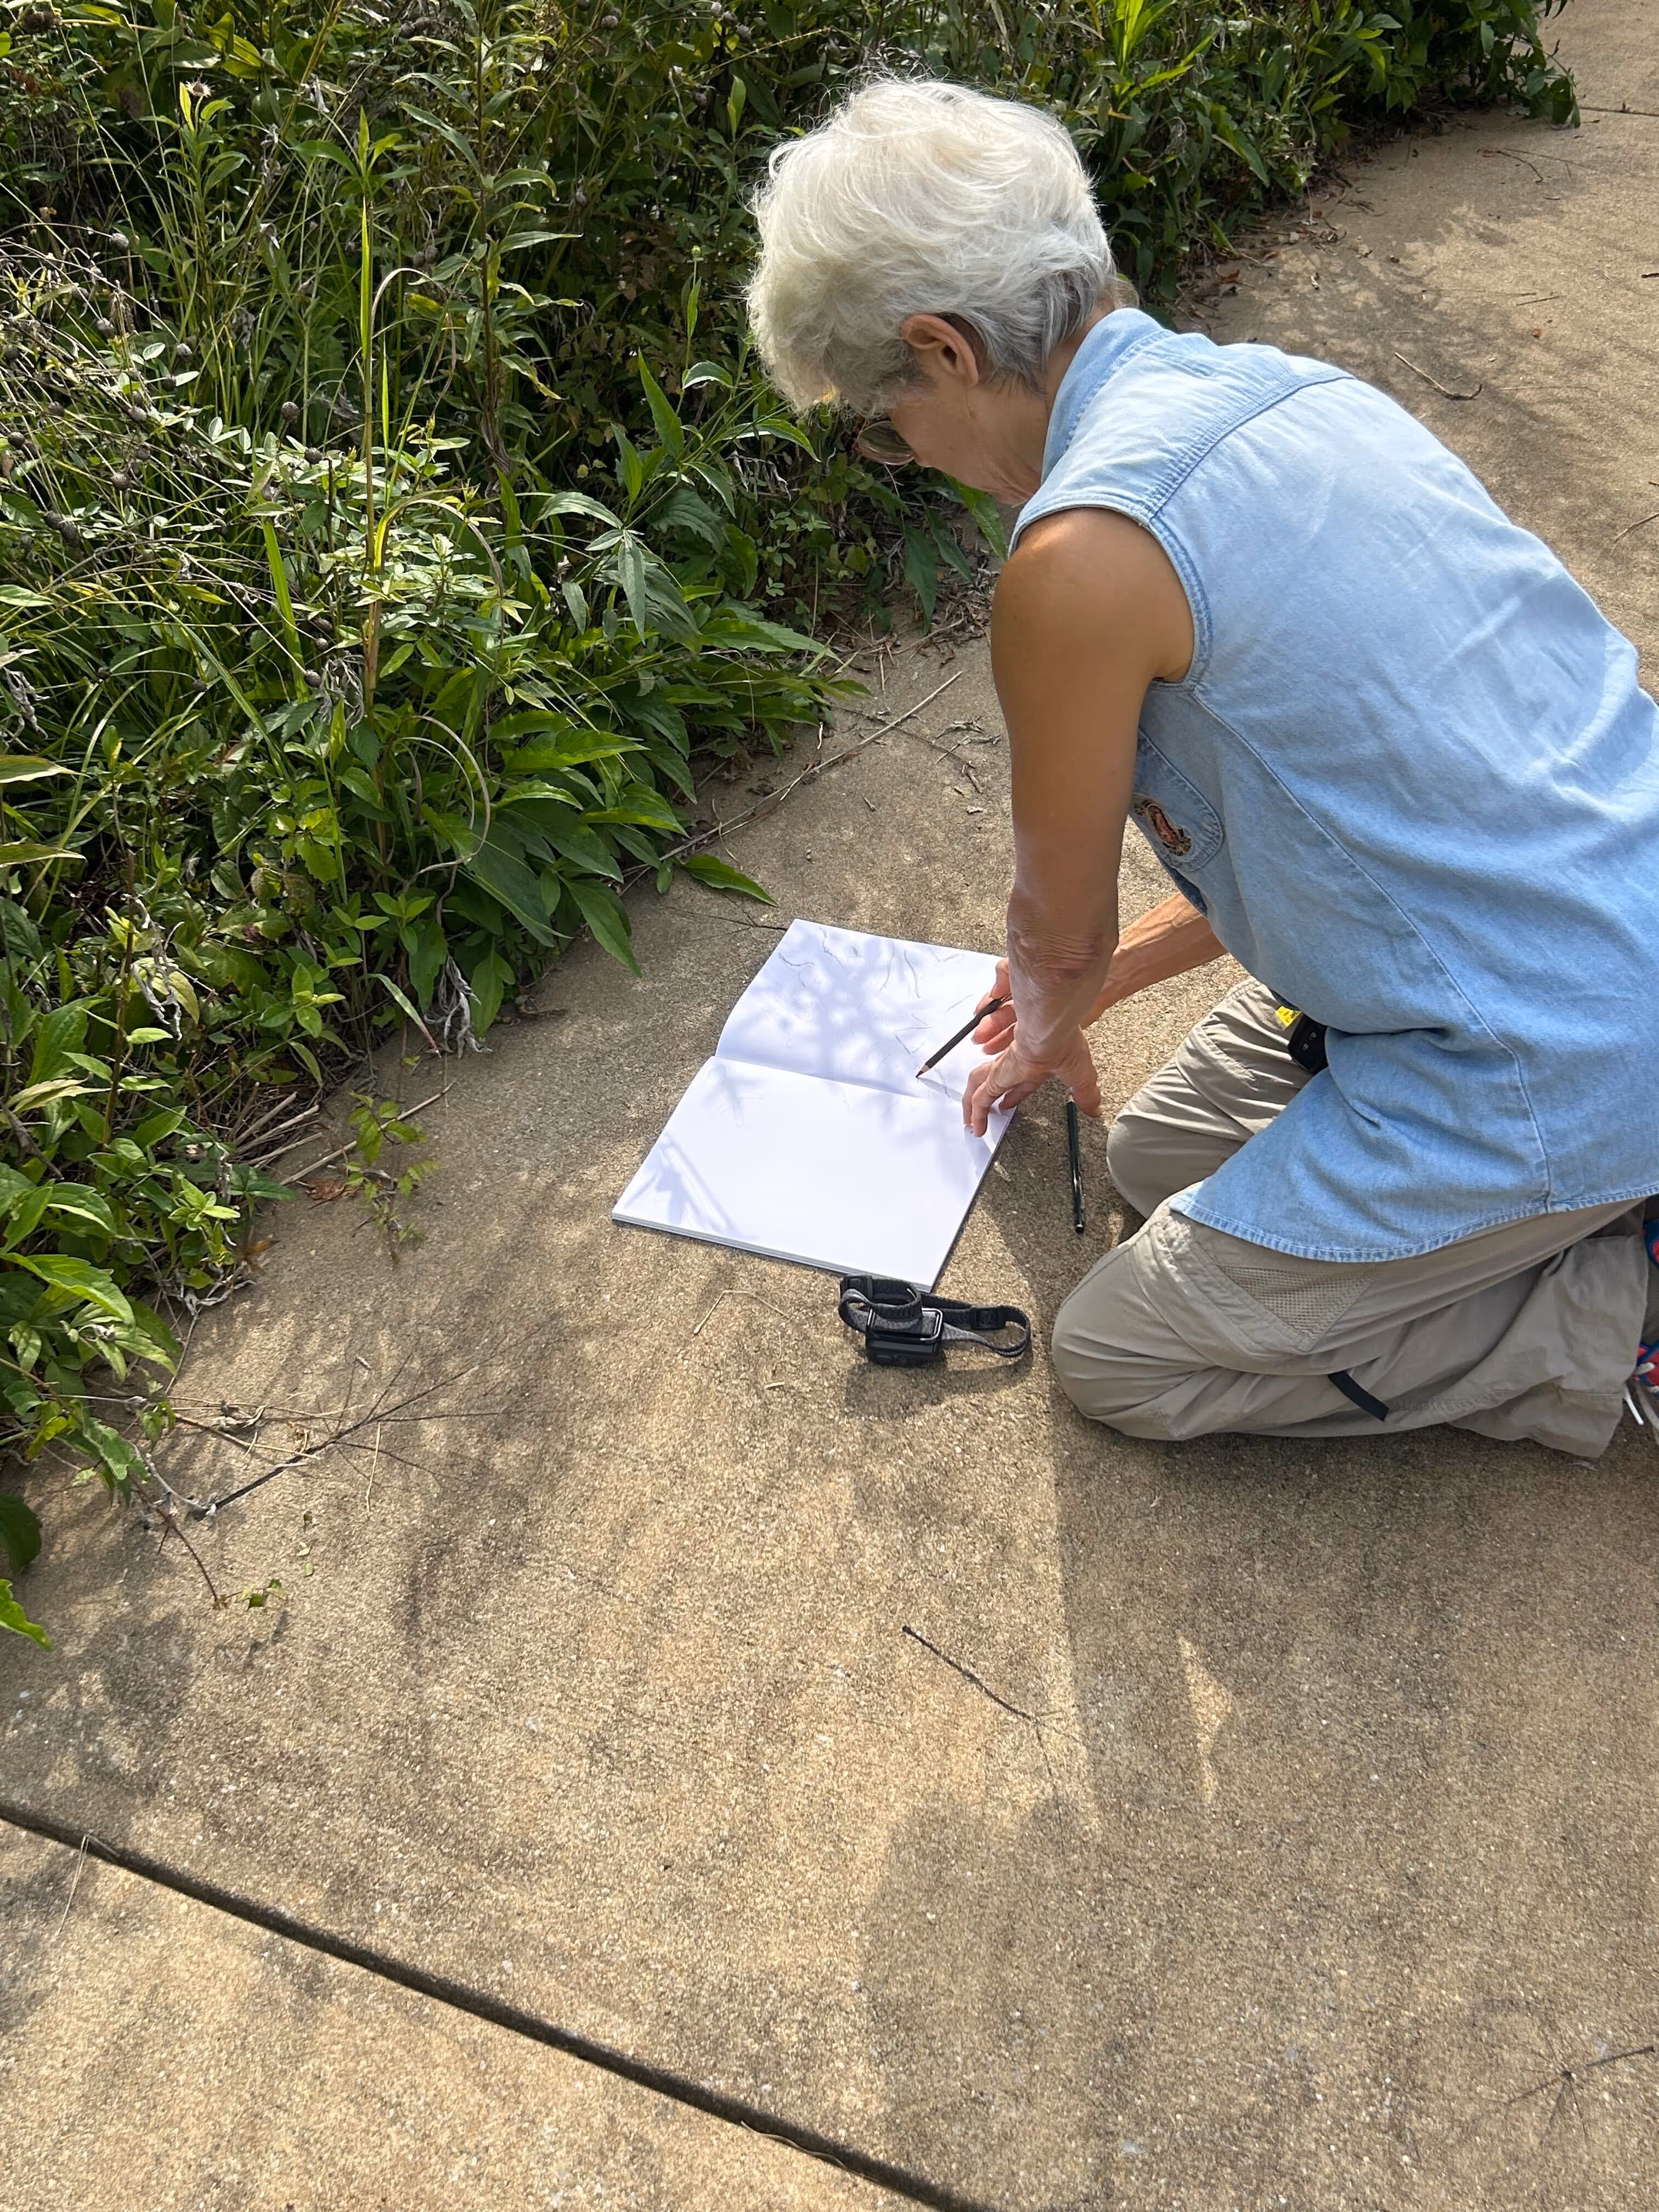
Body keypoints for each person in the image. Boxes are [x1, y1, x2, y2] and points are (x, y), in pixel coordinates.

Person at [746, 78, 1659, 1454]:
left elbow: (1052, 931)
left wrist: (1055, 1002)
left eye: (885, 423)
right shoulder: (1294, 394)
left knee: (1123, 1354)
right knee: (1148, 1161)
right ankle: (1563, 1198)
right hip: (1581, 936)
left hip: (1557, 1044)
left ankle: (1614, 1319)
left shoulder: (1079, 558)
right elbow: (1329, 819)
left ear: (939, 350)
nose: (908, 455)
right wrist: (1097, 989)